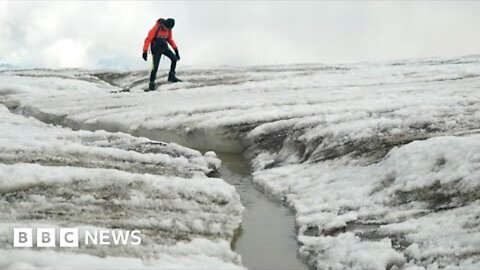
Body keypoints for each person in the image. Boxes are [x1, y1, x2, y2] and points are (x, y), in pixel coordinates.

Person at [142, 18, 181, 90]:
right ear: (164, 24)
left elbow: (170, 39)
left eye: (169, 29)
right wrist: (145, 51)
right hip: (156, 50)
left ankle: (171, 77)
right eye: (166, 28)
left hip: (164, 48)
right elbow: (148, 39)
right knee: (155, 67)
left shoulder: (169, 29)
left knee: (174, 59)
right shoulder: (156, 28)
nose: (167, 30)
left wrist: (176, 50)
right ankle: (151, 83)